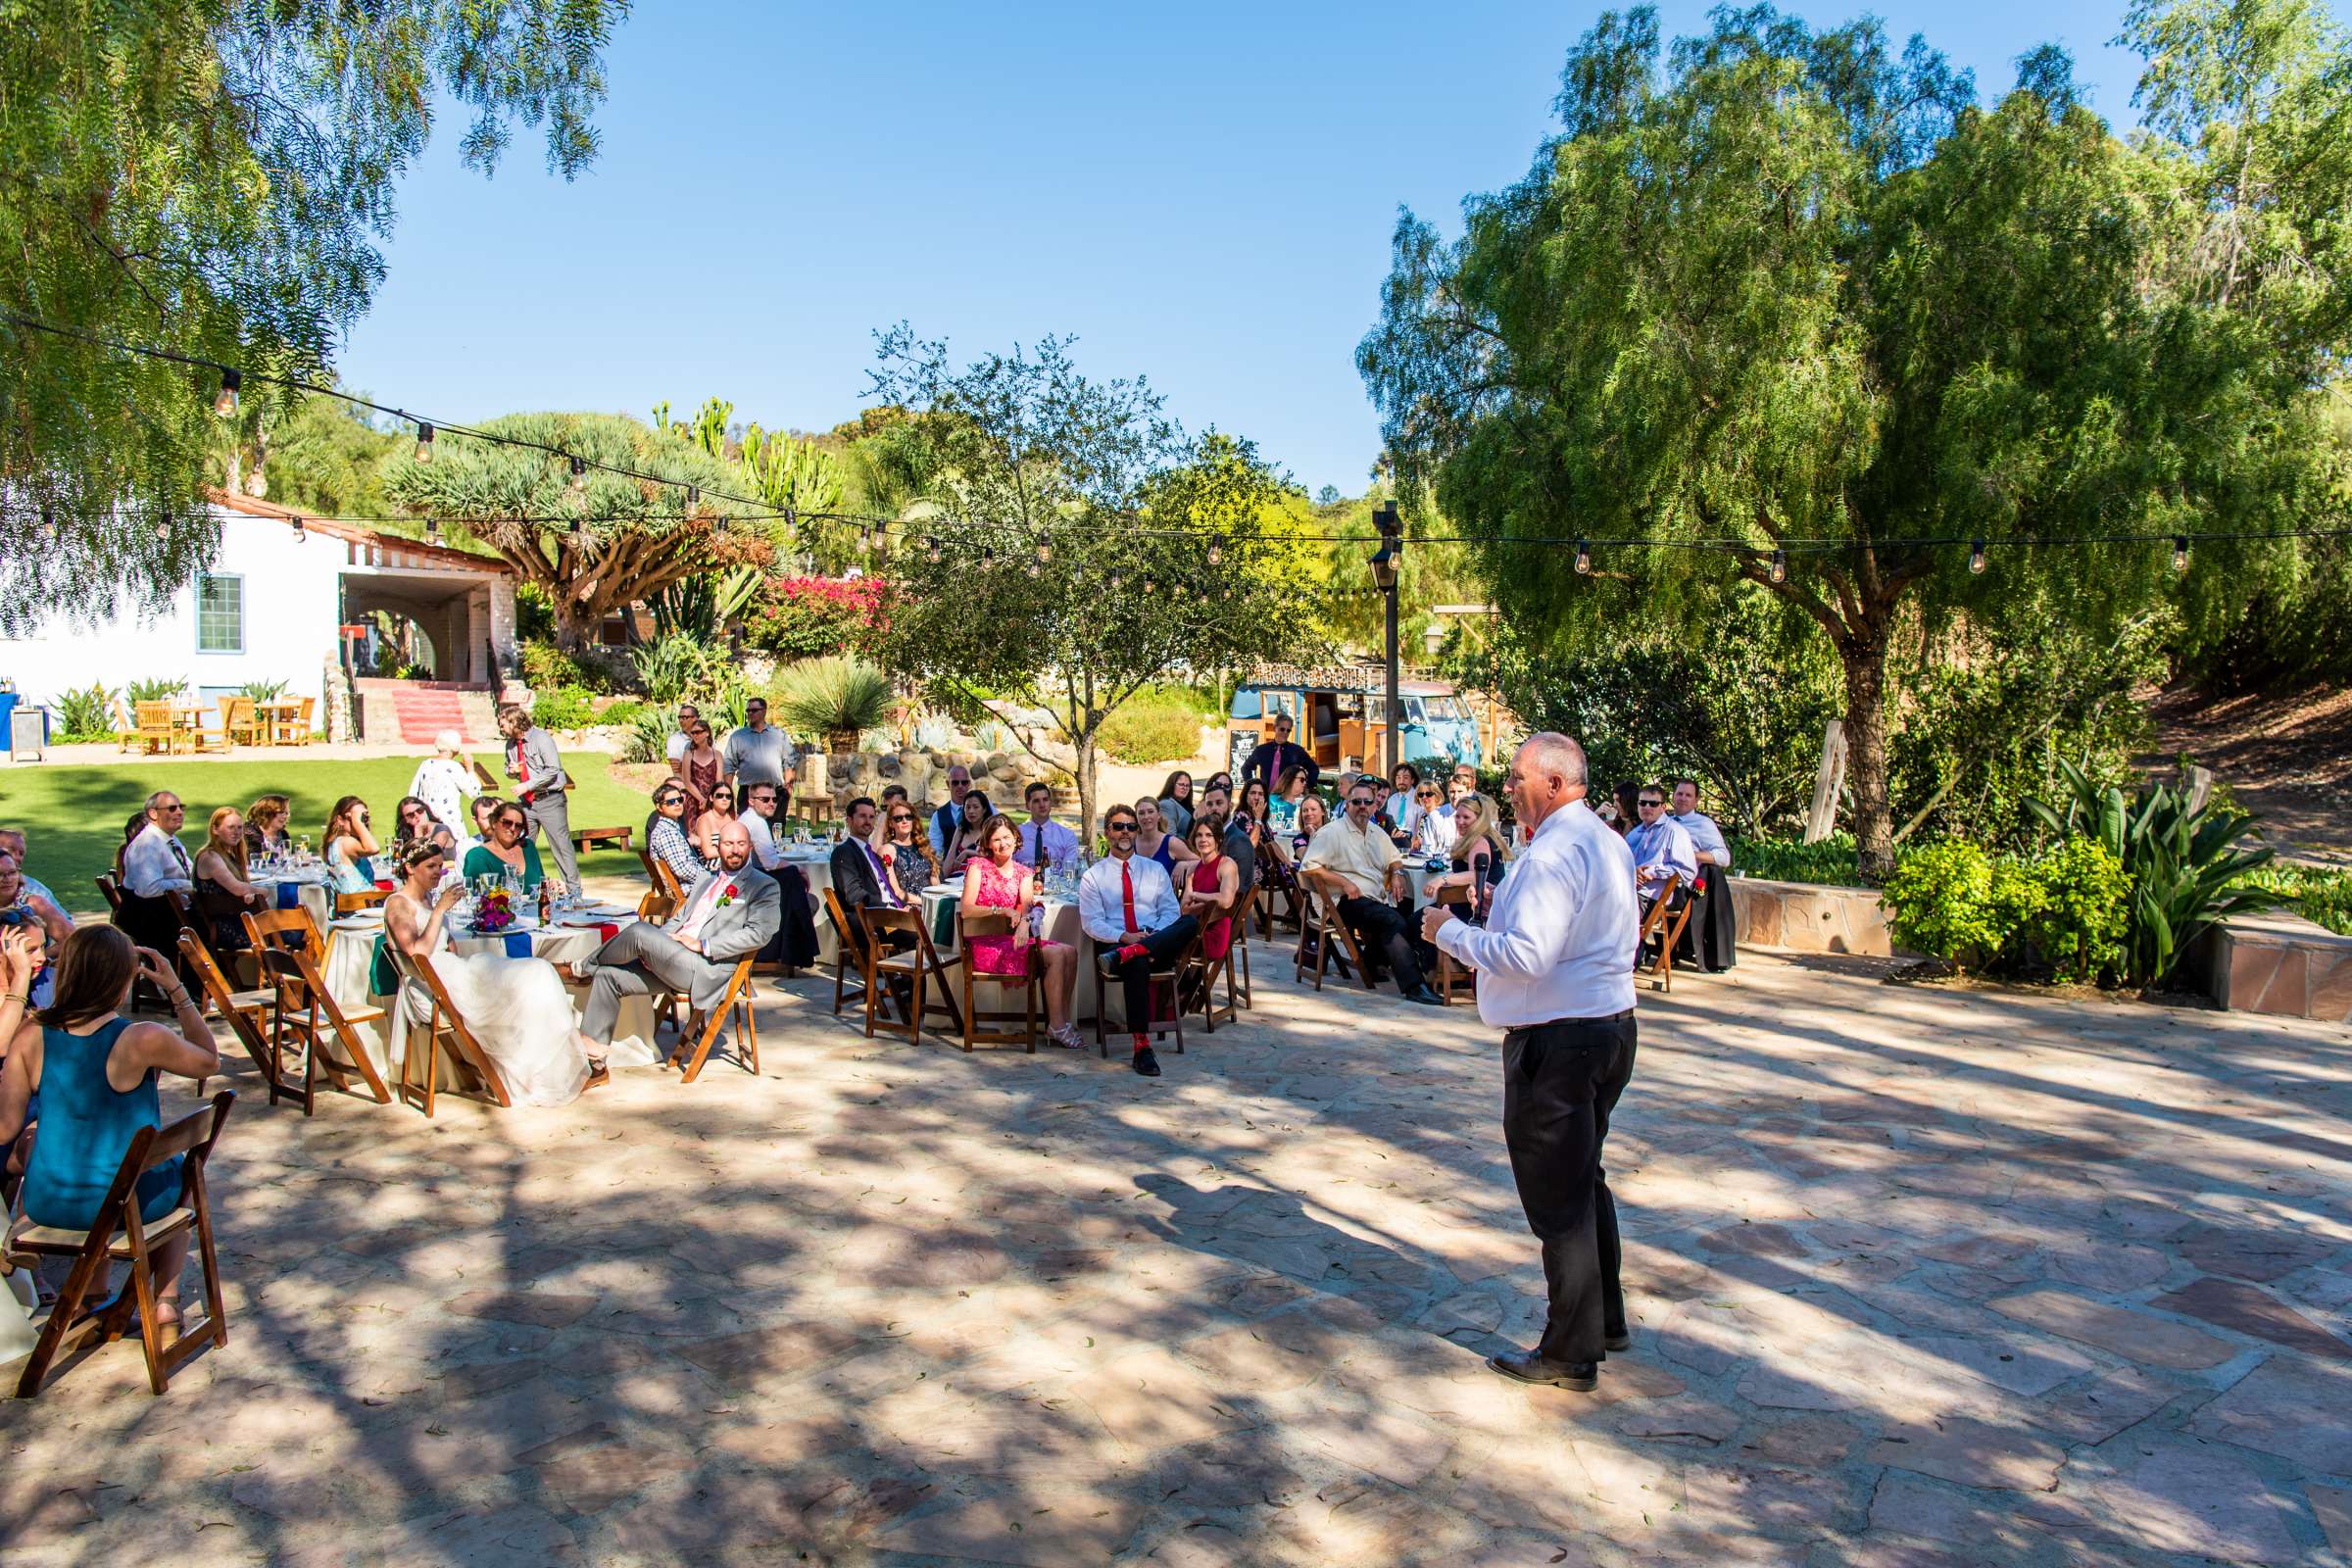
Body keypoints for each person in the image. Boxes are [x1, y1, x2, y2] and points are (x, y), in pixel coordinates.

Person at [1418, 733, 1638, 1393]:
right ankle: (1606, 1320)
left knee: (1559, 1203)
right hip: (1608, 1030)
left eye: (1516, 778)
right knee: (1585, 1179)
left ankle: (1571, 1351)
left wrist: (1450, 933)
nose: (1507, 787)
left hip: (1559, 1041)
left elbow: (1528, 956)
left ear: (1554, 782)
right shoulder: (1605, 841)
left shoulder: (1552, 856)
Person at [0, 925, 220, 1336]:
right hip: (124, 1205)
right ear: (122, 980)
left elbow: (3, 1129)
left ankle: (90, 1299)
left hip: (49, 1201)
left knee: (71, 1152)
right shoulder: (141, 1038)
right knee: (180, 1172)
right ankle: (165, 1303)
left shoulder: (30, 1035)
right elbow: (210, 1061)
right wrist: (178, 992)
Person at [384, 841, 602, 1102]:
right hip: (430, 988)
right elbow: (417, 953)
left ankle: (549, 1059)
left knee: (537, 972)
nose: (437, 872)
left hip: (451, 974)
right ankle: (574, 1044)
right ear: (409, 867)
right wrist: (440, 911)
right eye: (430, 866)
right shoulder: (399, 904)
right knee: (531, 979)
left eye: (440, 866)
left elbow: (445, 944)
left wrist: (445, 926)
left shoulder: (427, 899)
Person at [574, 820, 781, 1061]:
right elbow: (680, 919)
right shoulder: (705, 879)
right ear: (718, 846)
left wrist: (704, 945)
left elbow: (760, 934)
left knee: (640, 931)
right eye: (728, 843)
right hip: (674, 961)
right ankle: (595, 1060)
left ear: (750, 847)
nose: (735, 849)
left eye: (741, 843)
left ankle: (581, 969)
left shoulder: (764, 885)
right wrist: (660, 944)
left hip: (705, 968)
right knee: (607, 976)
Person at [1077, 806, 1197, 1077]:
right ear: (1107, 832)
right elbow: (1092, 923)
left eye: (1131, 827)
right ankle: (1141, 1046)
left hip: (1156, 940)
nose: (1126, 832)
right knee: (1137, 961)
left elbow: (1170, 912)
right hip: (1117, 944)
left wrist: (1155, 934)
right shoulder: (1093, 876)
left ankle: (1136, 950)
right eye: (1119, 826)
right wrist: (1124, 938)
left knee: (1189, 922)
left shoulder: (1154, 870)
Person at [1300, 779, 1443, 1005]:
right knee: (1392, 921)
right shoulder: (1331, 832)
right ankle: (1414, 985)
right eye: (1357, 801)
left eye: (1368, 801)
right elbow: (1308, 867)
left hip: (1374, 897)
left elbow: (1395, 858)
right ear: (1347, 805)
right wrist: (1343, 882)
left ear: (1375, 806)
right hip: (1341, 901)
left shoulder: (1376, 832)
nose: (1363, 806)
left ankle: (1372, 960)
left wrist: (1396, 874)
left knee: (1420, 915)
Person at [960, 814, 1081, 1049]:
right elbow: (966, 909)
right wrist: (1002, 910)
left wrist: (1025, 923)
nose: (1002, 844)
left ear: (1016, 838)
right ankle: (1056, 1025)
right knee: (1056, 955)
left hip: (1011, 941)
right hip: (983, 943)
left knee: (1071, 952)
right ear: (987, 844)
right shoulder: (978, 867)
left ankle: (1062, 1021)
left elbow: (1027, 907)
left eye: (1006, 837)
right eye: (996, 840)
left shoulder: (1023, 873)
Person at [499, 703, 582, 902]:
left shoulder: (541, 739)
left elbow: (553, 769)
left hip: (549, 799)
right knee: (520, 844)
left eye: (503, 724)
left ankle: (574, 893)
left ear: (515, 722)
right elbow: (508, 769)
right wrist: (511, 771)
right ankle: (519, 890)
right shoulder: (510, 745)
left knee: (561, 846)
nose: (500, 728)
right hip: (527, 804)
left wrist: (527, 785)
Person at [743, 782, 820, 968]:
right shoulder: (756, 823)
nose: (771, 803)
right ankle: (796, 951)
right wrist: (799, 869)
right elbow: (771, 863)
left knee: (795, 885)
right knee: (796, 886)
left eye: (774, 799)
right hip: (752, 889)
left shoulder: (749, 819)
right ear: (751, 801)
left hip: (750, 881)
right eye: (765, 799)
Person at [1670, 779, 1739, 973]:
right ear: (1673, 796)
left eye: (1688, 795)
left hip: (1683, 888)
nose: (1683, 798)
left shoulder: (1703, 824)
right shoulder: (1664, 821)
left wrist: (1691, 856)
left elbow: (1724, 857)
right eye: (1680, 794)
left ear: (1696, 800)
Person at [1624, 785, 1698, 952]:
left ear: (1663, 807)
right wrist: (1633, 871)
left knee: (1618, 910)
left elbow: (1688, 870)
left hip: (1654, 896)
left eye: (1653, 803)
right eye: (1643, 803)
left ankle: (1628, 957)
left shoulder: (1675, 832)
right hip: (1630, 890)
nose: (1647, 807)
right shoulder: (1635, 834)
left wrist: (1652, 871)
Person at [192, 808, 268, 965]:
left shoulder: (230, 856)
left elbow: (240, 890)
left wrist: (249, 893)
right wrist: (262, 891)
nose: (236, 832)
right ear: (215, 829)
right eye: (230, 827)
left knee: (295, 931)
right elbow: (238, 888)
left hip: (237, 919)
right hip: (227, 928)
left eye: (239, 827)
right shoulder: (210, 856)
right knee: (293, 932)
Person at [0, 851, 72, 1009]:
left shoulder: (33, 903)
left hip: (33, 983)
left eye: (12, 872)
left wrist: (35, 957)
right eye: (0, 874)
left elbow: (72, 939)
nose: (7, 879)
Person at [1425, 793, 1508, 924]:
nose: (1460, 821)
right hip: (1476, 906)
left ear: (1479, 819)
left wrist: (1442, 879)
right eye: (1457, 816)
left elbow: (1477, 876)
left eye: (1466, 817)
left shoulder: (1479, 841)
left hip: (1471, 911)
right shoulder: (1485, 837)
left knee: (1417, 921)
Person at [1176, 817, 1238, 975]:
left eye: (1209, 835)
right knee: (1158, 940)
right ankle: (1175, 994)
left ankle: (1173, 994)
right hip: (1193, 932)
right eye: (1199, 835)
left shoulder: (1226, 864)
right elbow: (1184, 909)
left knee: (1161, 947)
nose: (1203, 839)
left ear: (1218, 838)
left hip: (1211, 938)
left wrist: (1196, 895)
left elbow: (1225, 901)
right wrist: (1207, 903)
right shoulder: (1193, 869)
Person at [408, 730, 485, 840]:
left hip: (428, 822)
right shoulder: (453, 767)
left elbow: (413, 794)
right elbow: (474, 791)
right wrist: (470, 769)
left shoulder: (425, 764)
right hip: (450, 824)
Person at [462, 800, 545, 892]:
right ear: (494, 823)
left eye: (518, 825)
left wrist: (552, 885)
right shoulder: (477, 856)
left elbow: (542, 884)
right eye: (507, 822)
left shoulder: (528, 847)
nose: (512, 828)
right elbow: (476, 896)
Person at [722, 697, 792, 803]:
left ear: (764, 711)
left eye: (754, 710)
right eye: (748, 711)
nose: (750, 713)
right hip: (748, 793)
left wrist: (788, 789)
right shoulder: (738, 737)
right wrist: (727, 793)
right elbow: (729, 765)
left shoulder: (779, 735)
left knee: (775, 820)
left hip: (774, 791)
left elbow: (789, 762)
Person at [1242, 712, 1319, 798]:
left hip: (1287, 798)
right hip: (1266, 797)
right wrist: (1252, 787)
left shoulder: (1297, 751)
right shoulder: (1261, 750)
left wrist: (1305, 788)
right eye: (1282, 729)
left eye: (1288, 730)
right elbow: (1246, 768)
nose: (1285, 732)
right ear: (1275, 728)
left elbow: (1314, 768)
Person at [647, 783, 708, 889]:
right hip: (688, 889)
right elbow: (682, 869)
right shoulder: (666, 832)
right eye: (670, 802)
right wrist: (709, 877)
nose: (677, 804)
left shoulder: (672, 828)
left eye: (679, 800)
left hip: (692, 885)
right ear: (659, 807)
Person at [1013, 781, 1080, 874]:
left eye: (1045, 799)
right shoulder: (1016, 834)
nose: (1042, 805)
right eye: (1036, 801)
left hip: (1055, 887)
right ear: (1027, 805)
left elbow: (1068, 872)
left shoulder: (1067, 836)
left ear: (1050, 802)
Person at [883, 799, 943, 902]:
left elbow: (936, 885)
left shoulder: (923, 847)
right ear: (891, 823)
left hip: (931, 905)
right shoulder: (888, 850)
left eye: (908, 817)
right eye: (898, 818)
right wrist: (926, 903)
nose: (904, 821)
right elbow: (896, 892)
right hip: (908, 909)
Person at [320, 795, 381, 896]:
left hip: (351, 907)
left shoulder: (336, 842)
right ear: (340, 820)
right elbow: (374, 849)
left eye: (364, 818)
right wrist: (357, 821)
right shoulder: (345, 842)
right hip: (356, 908)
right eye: (354, 818)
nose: (362, 822)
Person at [673, 718, 724, 815]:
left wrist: (710, 800)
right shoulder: (688, 754)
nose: (695, 735)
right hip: (693, 800)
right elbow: (687, 782)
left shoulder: (717, 755)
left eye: (698, 732)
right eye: (692, 733)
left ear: (707, 733)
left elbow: (719, 781)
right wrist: (702, 800)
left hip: (713, 799)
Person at [1133, 797, 1195, 876]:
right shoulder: (1131, 842)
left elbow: (1199, 861)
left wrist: (1184, 864)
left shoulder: (1171, 843)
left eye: (1150, 812)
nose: (1146, 816)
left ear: (1159, 815)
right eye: (1141, 813)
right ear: (1136, 817)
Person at [940, 791, 993, 880]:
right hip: (955, 880)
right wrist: (941, 879)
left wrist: (968, 852)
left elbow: (994, 857)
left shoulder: (991, 830)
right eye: (967, 807)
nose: (971, 811)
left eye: (976, 807)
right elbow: (951, 856)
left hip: (980, 880)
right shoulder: (961, 829)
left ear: (984, 809)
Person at [929, 765, 976, 858]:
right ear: (947, 784)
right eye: (955, 783)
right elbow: (934, 850)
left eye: (964, 782)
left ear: (969, 784)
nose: (960, 786)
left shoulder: (985, 808)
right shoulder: (938, 816)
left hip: (980, 866)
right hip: (951, 869)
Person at [1407, 778, 1459, 858]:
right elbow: (1414, 842)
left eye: (1428, 794)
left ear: (1437, 796)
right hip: (1420, 856)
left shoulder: (1442, 815)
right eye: (1420, 794)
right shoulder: (1422, 815)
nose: (1424, 797)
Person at [691, 783, 739, 865]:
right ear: (711, 798)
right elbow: (708, 852)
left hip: (734, 865)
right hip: (713, 868)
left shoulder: (732, 818)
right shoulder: (704, 820)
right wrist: (735, 850)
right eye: (720, 796)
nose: (725, 799)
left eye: (728, 796)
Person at [393, 796, 457, 858]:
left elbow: (424, 858)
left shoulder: (442, 831)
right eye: (411, 815)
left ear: (425, 810)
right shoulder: (406, 834)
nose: (417, 816)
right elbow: (396, 859)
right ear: (405, 820)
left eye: (419, 810)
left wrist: (419, 830)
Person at [1382, 762, 1424, 843]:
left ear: (1412, 780)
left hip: (1413, 844)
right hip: (1393, 841)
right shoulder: (1392, 799)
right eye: (1398, 778)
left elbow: (1422, 825)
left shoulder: (1420, 797)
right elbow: (1388, 824)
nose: (1401, 781)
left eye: (1405, 778)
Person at [241, 795, 292, 860]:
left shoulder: (283, 834)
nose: (285, 816)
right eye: (281, 812)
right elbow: (254, 859)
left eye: (287, 813)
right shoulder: (249, 833)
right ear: (267, 813)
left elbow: (288, 858)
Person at [1268, 765, 1311, 836]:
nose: (1305, 783)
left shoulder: (1307, 801)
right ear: (1290, 779)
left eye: (1306, 780)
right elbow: (1270, 824)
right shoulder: (1273, 800)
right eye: (1302, 780)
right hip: (1278, 839)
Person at [1156, 770, 1196, 837]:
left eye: (1187, 785)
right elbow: (1170, 836)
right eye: (1181, 784)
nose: (1184, 788)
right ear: (1171, 785)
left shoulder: (1185, 805)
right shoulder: (1166, 804)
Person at [664, 702, 702, 769]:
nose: (681, 720)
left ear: (695, 719)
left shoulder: (707, 738)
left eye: (684, 717)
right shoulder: (673, 740)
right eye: (679, 717)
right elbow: (677, 770)